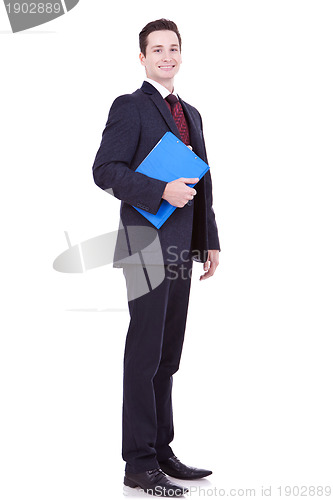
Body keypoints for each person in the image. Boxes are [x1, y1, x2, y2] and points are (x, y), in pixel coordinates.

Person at [92, 19, 220, 497]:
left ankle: (161, 450)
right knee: (144, 355)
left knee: (168, 357)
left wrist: (210, 239)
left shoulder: (192, 112)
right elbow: (105, 170)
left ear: (181, 55)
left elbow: (203, 184)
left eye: (174, 48)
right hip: (145, 247)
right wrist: (158, 189)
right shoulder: (130, 107)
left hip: (182, 247)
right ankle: (138, 463)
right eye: (157, 49)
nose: (166, 56)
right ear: (141, 58)